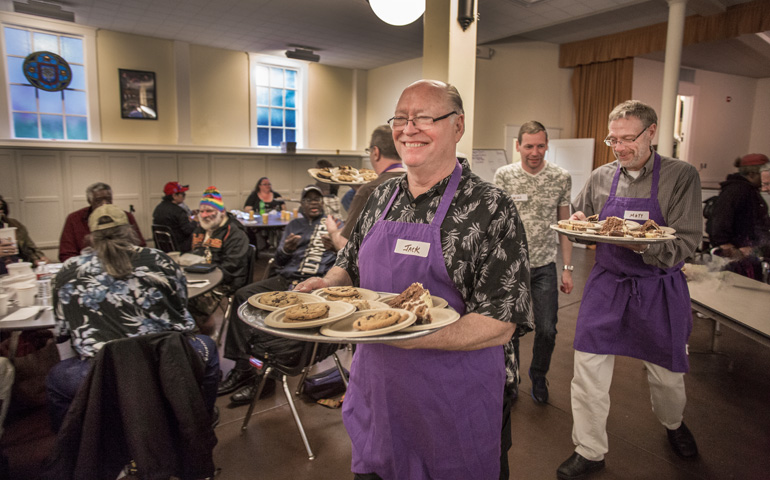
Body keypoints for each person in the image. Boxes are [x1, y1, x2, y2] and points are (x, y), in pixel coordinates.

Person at [295, 80, 532, 480]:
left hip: (454, 401)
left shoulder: (491, 207)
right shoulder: (379, 195)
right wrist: (328, 283)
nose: (409, 129)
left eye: (424, 118)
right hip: (379, 393)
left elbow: (499, 322)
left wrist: (401, 334)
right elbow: (348, 261)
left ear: (457, 126)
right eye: (401, 118)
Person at [556, 100, 702, 480]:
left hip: (658, 287)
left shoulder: (680, 176)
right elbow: (581, 216)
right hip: (608, 284)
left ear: (652, 132)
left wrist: (642, 245)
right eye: (613, 139)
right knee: (587, 368)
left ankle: (674, 423)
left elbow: (686, 241)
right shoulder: (602, 176)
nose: (619, 148)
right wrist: (576, 220)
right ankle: (589, 449)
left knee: (666, 376)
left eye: (628, 139)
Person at [45, 204, 219, 432]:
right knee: (208, 349)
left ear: (91, 237)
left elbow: (63, 331)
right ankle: (200, 419)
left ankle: (74, 445)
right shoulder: (161, 260)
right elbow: (180, 308)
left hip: (102, 377)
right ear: (130, 231)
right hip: (167, 366)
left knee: (56, 379)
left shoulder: (68, 271)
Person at [217, 185, 338, 404]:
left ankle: (266, 381)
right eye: (308, 199)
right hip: (285, 279)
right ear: (300, 204)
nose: (313, 203)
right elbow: (279, 260)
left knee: (279, 321)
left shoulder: (333, 227)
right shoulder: (294, 224)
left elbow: (345, 265)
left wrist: (335, 249)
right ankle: (241, 367)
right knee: (242, 295)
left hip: (313, 285)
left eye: (317, 199)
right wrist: (286, 250)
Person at [494, 120, 573, 404]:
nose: (535, 152)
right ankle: (511, 377)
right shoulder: (504, 176)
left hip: (544, 267)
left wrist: (567, 268)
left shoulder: (561, 177)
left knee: (548, 329)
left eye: (540, 145)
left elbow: (565, 225)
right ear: (518, 146)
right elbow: (497, 223)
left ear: (547, 145)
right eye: (528, 146)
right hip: (512, 268)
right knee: (509, 327)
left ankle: (539, 375)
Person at [324, 125, 405, 251]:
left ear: (376, 152)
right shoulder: (417, 182)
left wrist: (333, 232)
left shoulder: (368, 191)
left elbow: (345, 246)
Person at [187, 187, 250, 334]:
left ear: (221, 212)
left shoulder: (235, 233)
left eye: (209, 211)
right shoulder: (200, 230)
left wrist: (206, 276)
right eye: (201, 211)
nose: (204, 215)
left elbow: (232, 266)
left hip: (225, 281)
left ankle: (206, 337)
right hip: (197, 276)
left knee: (193, 301)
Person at [706, 153, 770, 279]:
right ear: (751, 174)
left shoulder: (748, 190)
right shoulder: (736, 190)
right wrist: (730, 249)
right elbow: (720, 222)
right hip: (737, 261)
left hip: (748, 257)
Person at [58, 182, 145, 262]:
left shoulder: (125, 216)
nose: (104, 204)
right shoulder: (74, 219)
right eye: (98, 200)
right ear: (90, 201)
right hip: (88, 268)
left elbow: (140, 247)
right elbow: (66, 254)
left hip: (124, 264)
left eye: (108, 199)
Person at [0, 194, 49, 275]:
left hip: (20, 271)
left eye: (1, 207)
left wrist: (38, 259)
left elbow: (30, 249)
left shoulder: (14, 224)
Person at [152, 181, 197, 252]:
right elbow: (188, 230)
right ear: (174, 196)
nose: (184, 196)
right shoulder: (178, 211)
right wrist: (195, 221)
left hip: (163, 247)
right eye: (183, 194)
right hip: (179, 246)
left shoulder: (158, 208)